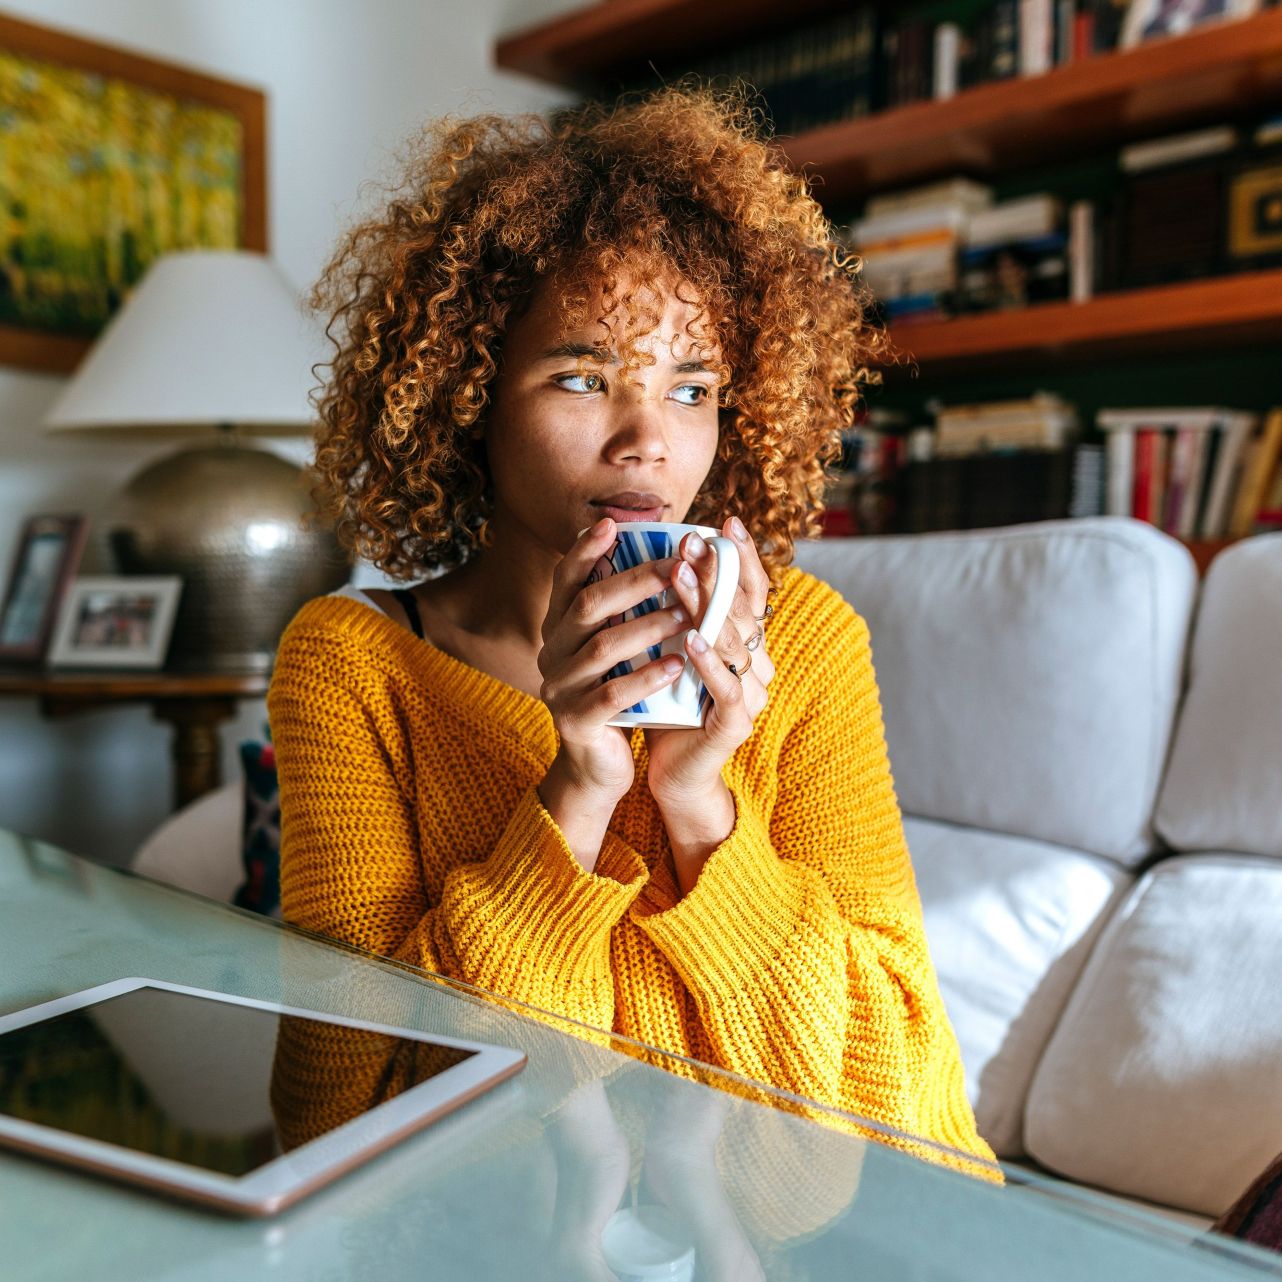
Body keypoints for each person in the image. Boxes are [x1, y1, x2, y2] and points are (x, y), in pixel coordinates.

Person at [267, 86, 998, 1175]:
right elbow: (340, 1118)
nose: (647, 440)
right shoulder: (355, 664)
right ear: (470, 393)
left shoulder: (805, 642)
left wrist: (699, 804)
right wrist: (577, 795)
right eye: (582, 377)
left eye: (692, 386)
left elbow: (885, 1111)